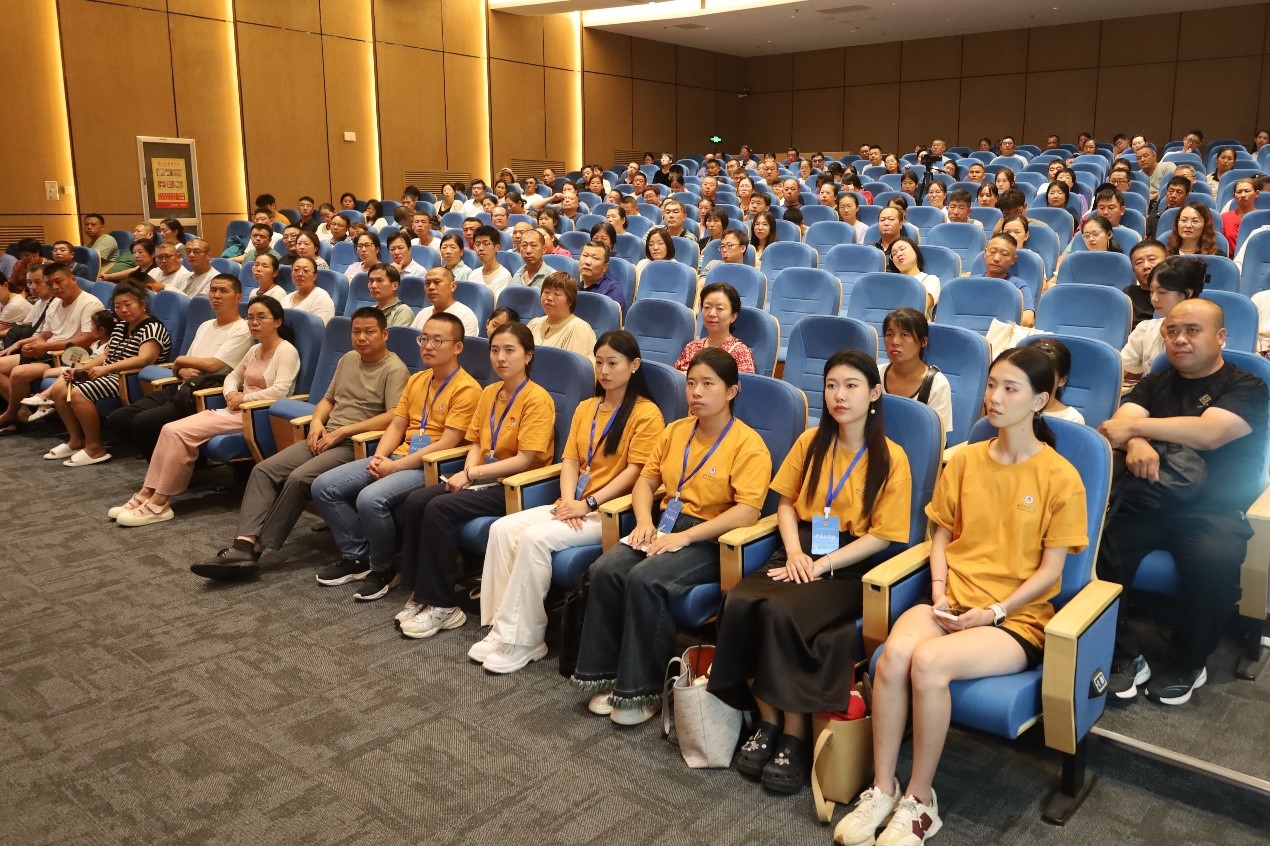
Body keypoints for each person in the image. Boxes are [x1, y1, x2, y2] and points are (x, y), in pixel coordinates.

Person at [833, 345, 1088, 846]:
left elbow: (1051, 571)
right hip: (951, 598)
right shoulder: (967, 459)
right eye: (991, 385)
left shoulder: (1060, 476)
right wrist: (939, 592)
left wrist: (993, 611)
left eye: (1010, 389)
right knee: (893, 657)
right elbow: (942, 536)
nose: (994, 397)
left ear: (1040, 401)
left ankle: (920, 800)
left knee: (929, 663)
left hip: (1014, 618)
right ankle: (882, 788)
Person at [709, 351, 913, 793]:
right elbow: (785, 504)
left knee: (780, 612)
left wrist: (820, 564)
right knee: (740, 600)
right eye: (832, 385)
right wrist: (795, 553)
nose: (839, 395)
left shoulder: (891, 458)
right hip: (799, 548)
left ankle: (795, 733)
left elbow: (882, 537)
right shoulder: (810, 442)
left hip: (849, 565)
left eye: (852, 386)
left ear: (874, 393)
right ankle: (767, 722)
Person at [571, 348, 771, 725]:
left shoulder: (748, 444)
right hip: (663, 526)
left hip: (711, 538)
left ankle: (642, 690)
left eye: (708, 384)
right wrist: (643, 522)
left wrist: (687, 537)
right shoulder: (676, 431)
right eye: (691, 383)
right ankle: (609, 676)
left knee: (646, 578)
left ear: (732, 391)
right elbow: (646, 482)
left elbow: (747, 511)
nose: (696, 392)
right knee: (605, 569)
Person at [1098, 298, 1268, 705]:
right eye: (1172, 331)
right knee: (1097, 546)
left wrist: (1136, 429)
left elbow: (1209, 433)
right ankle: (1122, 654)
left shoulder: (1247, 386)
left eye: (1192, 330)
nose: (1179, 339)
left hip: (1214, 509)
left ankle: (1189, 661)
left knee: (1213, 563)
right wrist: (1136, 442)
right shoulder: (1156, 382)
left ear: (1221, 337)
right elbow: (1117, 426)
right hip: (1150, 500)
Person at [473, 330, 665, 673]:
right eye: (599, 362)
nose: (604, 371)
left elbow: (635, 472)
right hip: (573, 504)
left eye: (613, 363)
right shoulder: (587, 407)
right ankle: (501, 630)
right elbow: (571, 461)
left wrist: (588, 505)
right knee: (502, 529)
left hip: (608, 512)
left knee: (534, 539)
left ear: (634, 365)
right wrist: (568, 499)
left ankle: (526, 640)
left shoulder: (646, 413)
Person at [191, 308, 410, 581]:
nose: (361, 338)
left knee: (299, 478)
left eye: (369, 332)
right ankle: (243, 544)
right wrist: (317, 422)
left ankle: (256, 551)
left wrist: (343, 432)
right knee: (264, 470)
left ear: (385, 334)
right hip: (326, 435)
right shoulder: (348, 359)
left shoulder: (394, 368)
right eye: (356, 332)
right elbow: (328, 399)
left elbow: (393, 416)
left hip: (354, 444)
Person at [395, 322, 556, 638]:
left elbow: (524, 459)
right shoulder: (490, 393)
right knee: (416, 500)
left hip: (516, 487)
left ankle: (443, 606)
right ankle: (419, 592)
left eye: (509, 350)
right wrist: (468, 474)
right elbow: (476, 443)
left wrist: (472, 474)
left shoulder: (537, 399)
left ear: (528, 356)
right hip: (483, 479)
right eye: (495, 350)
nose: (500, 358)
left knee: (440, 508)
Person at [311, 312, 482, 598]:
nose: (427, 346)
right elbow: (397, 424)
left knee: (370, 498)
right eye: (424, 339)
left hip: (431, 465)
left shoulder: (467, 389)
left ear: (458, 347)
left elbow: (448, 443)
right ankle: (357, 556)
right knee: (324, 486)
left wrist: (396, 466)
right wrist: (379, 457)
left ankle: (384, 568)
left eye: (437, 340)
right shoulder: (417, 380)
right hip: (399, 457)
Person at [111, 296, 300, 526]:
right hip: (234, 409)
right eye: (250, 317)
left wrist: (245, 398)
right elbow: (232, 376)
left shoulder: (286, 351)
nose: (254, 322)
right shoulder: (254, 350)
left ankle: (160, 502)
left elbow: (281, 390)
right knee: (169, 428)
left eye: (261, 317)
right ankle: (146, 492)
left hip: (256, 416)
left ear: (277, 321)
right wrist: (231, 394)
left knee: (179, 432)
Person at [104, 274, 250, 457]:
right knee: (118, 418)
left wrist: (180, 362)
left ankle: (169, 465)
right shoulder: (205, 325)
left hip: (205, 393)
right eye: (213, 290)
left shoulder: (242, 328)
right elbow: (184, 363)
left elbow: (213, 365)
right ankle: (165, 458)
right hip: (182, 386)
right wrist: (181, 368)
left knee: (142, 422)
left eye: (223, 291)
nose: (216, 295)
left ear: (238, 297)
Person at [47, 281, 171, 466]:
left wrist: (106, 369)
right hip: (107, 373)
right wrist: (81, 369)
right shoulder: (121, 326)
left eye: (128, 304)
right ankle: (76, 440)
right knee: (60, 388)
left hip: (130, 378)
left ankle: (95, 447)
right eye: (118, 306)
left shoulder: (152, 327)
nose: (123, 310)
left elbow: (145, 359)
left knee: (78, 393)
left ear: (142, 304)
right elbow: (106, 355)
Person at [0, 263, 103, 434]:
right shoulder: (54, 303)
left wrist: (44, 346)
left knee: (18, 373)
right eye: (49, 284)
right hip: (48, 351)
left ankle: (10, 414)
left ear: (73, 279)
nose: (54, 287)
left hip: (70, 355)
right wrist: (32, 346)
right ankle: (21, 412)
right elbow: (45, 335)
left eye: (59, 281)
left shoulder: (90, 303)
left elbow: (87, 340)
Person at [1121, 256, 1204, 380]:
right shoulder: (1146, 328)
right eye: (1151, 291)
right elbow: (1123, 366)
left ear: (1188, 293)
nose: (1154, 299)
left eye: (1162, 292)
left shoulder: (1206, 334)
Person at [879, 308, 952, 436]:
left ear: (923, 342)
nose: (895, 342)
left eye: (905, 335)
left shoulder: (937, 384)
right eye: (889, 334)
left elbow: (937, 439)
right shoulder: (875, 373)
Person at [674, 282, 756, 374]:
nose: (712, 313)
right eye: (707, 307)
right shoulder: (692, 347)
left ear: (733, 316)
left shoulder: (740, 352)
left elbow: (743, 383)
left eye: (720, 308)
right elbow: (674, 378)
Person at [526, 272, 597, 359]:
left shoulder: (580, 329)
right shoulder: (534, 324)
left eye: (557, 294)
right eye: (546, 292)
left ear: (570, 301)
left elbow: (580, 366)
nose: (549, 298)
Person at [983, 233, 1035, 326]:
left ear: (1013, 260)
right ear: (985, 253)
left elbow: (1028, 320)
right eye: (992, 252)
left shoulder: (1018, 286)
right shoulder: (970, 283)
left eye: (1004, 254)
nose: (996, 258)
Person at [1028, 338, 1084, 424]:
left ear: (1061, 380)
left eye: (1045, 375)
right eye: (1029, 372)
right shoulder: (1013, 407)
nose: (1036, 379)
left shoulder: (1072, 419)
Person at [411, 266, 479, 337]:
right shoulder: (422, 314)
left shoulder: (465, 316)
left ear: (453, 286)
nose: (431, 287)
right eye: (427, 283)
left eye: (437, 282)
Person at [888, 237, 940, 315]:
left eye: (902, 249)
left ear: (915, 252)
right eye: (894, 254)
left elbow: (922, 305)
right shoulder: (890, 282)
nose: (899, 254)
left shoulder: (930, 280)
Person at [577, 241, 626, 312]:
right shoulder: (573, 288)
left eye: (595, 258)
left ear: (605, 267)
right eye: (585, 255)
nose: (587, 262)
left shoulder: (613, 289)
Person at [286, 257, 336, 324]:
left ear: (315, 276)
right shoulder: (287, 298)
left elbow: (322, 328)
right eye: (296, 270)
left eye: (306, 270)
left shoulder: (322, 297)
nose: (300, 274)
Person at [365, 262, 415, 327]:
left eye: (379, 280)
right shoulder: (369, 311)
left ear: (395, 286)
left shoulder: (403, 312)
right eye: (371, 281)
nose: (373, 286)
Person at [470, 225, 511, 297]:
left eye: (486, 244)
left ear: (497, 247)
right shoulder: (473, 274)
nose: (481, 248)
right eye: (477, 244)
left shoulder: (504, 276)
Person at [1220, 178, 1257, 256]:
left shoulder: (1263, 218)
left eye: (1247, 191)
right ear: (1234, 196)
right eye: (1239, 192)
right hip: (1230, 260)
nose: (1243, 195)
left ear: (1256, 194)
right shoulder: (1224, 218)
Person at [873, 206, 905, 272]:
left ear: (900, 224)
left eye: (891, 219)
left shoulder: (906, 249)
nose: (886, 223)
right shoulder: (872, 249)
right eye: (882, 220)